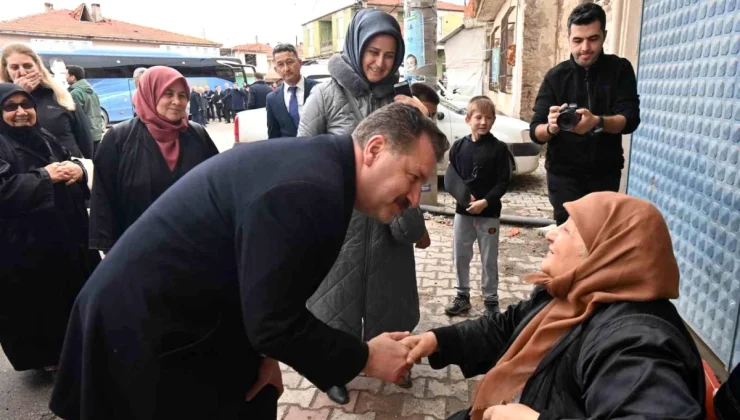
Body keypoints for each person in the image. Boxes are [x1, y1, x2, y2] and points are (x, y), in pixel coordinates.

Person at [49, 103, 449, 420]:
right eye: (413, 177)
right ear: (375, 149)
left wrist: (265, 357)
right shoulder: (312, 189)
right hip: (140, 333)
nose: (415, 198)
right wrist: (366, 358)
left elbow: (266, 288)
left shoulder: (323, 171)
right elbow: (273, 323)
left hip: (187, 320)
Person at [402, 192, 705, 420]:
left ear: (604, 253)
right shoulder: (571, 292)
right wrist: (438, 340)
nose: (550, 233)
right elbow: (506, 327)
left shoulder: (636, 342)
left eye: (568, 230)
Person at [299, 8, 432, 404]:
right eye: (373, 52)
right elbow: (303, 158)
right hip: (340, 224)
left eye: (389, 55)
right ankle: (332, 370)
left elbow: (423, 159)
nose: (380, 63)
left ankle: (398, 359)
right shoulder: (325, 95)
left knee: (392, 298)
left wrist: (423, 117)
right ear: (356, 48)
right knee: (334, 302)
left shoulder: (402, 98)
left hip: (391, 221)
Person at [0, 83, 100, 373]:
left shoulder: (43, 135)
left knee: (72, 293)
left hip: (66, 235)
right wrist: (45, 176)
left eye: (26, 105)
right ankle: (51, 359)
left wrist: (76, 170)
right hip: (24, 247)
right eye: (10, 107)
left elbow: (69, 159)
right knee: (40, 305)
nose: (21, 112)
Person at [529, 3, 640, 225]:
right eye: (578, 40)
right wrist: (551, 127)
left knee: (599, 236)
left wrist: (597, 122)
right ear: (568, 38)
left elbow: (630, 120)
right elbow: (535, 132)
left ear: (604, 35)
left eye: (593, 39)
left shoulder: (620, 70)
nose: (585, 48)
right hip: (563, 175)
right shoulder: (555, 77)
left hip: (605, 173)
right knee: (568, 235)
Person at [87, 66, 219, 253]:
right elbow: (104, 197)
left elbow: (216, 187)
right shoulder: (118, 138)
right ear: (151, 93)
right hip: (139, 249)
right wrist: (109, 248)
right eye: (168, 93)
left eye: (182, 95)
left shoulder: (197, 134)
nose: (176, 101)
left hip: (194, 247)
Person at [444, 96, 511, 317]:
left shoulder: (499, 149)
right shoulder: (458, 146)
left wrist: (485, 201)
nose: (483, 122)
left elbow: (503, 182)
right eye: (478, 117)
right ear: (468, 119)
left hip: (489, 213)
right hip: (463, 213)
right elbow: (451, 176)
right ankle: (462, 295)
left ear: (493, 120)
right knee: (461, 255)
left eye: (488, 118)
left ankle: (490, 299)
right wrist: (463, 197)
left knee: (488, 259)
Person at [0, 43, 93, 159]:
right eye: (14, 68)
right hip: (27, 168)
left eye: (28, 66)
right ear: (7, 71)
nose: (23, 72)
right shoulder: (2, 100)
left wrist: (86, 166)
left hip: (68, 165)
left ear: (38, 67)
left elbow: (85, 139)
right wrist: (18, 93)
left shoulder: (60, 95)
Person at [266, 43, 319, 138]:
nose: (286, 69)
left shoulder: (319, 89)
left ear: (300, 63)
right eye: (280, 64)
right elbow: (273, 135)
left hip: (316, 145)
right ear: (276, 69)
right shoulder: (272, 99)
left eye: (289, 62)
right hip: (288, 147)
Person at [66, 65, 104, 154]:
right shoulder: (92, 91)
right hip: (96, 132)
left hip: (85, 135)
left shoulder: (75, 93)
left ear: (73, 77)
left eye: (67, 74)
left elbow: (76, 118)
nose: (65, 77)